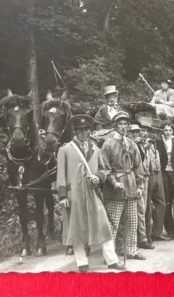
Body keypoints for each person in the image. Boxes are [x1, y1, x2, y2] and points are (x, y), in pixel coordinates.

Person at [56, 115, 124, 272]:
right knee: (77, 229)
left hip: (93, 194)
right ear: (75, 131)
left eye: (86, 130)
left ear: (90, 131)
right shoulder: (65, 149)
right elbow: (60, 174)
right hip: (74, 195)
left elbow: (104, 169)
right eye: (80, 130)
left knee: (104, 226)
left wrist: (98, 178)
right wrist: (62, 196)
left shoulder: (96, 149)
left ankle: (112, 260)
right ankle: (82, 263)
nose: (83, 133)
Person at [101, 111, 146, 262]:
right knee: (113, 223)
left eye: (125, 124)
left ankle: (132, 250)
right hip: (115, 188)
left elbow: (138, 166)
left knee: (132, 221)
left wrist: (140, 186)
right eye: (120, 124)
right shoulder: (108, 144)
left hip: (131, 186)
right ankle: (110, 255)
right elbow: (104, 168)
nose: (123, 127)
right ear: (115, 126)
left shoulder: (132, 144)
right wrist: (113, 182)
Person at [139, 119, 168, 243]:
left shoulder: (158, 143)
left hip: (158, 173)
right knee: (146, 206)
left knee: (161, 202)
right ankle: (147, 233)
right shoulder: (139, 143)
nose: (147, 134)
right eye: (143, 131)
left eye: (148, 131)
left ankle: (158, 232)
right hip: (147, 174)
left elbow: (164, 158)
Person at [128, 124, 155, 250]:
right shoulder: (128, 145)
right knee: (134, 210)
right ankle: (136, 239)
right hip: (130, 180)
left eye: (136, 132)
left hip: (142, 179)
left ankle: (142, 238)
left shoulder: (142, 145)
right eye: (132, 132)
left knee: (142, 209)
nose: (135, 135)